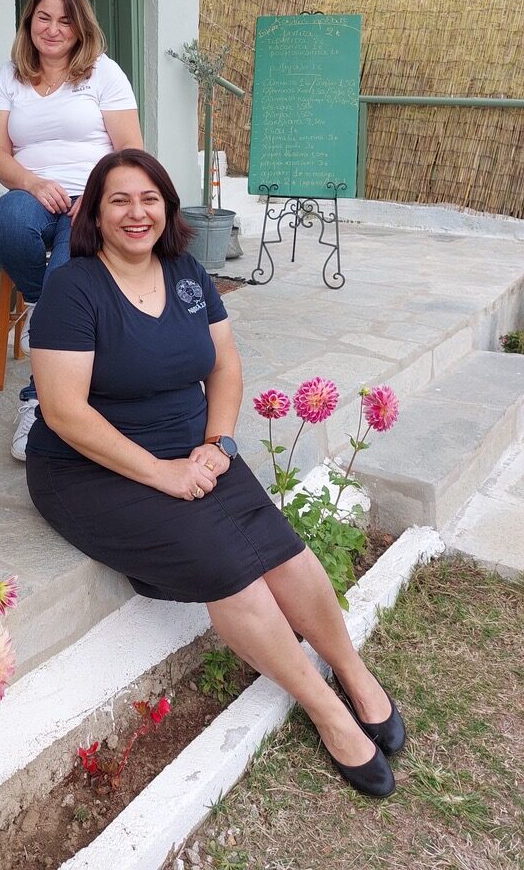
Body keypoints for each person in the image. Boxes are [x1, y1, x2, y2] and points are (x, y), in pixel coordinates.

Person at [25, 148, 405, 798]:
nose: (136, 213)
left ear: (167, 207)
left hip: (192, 447)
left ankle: (352, 670)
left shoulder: (187, 274)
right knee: (228, 569)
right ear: (96, 214)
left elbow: (224, 366)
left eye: (149, 198)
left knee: (283, 550)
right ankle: (325, 708)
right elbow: (64, 413)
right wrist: (161, 474)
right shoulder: (73, 287)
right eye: (119, 200)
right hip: (89, 468)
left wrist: (220, 444)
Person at [0, 0, 143, 460]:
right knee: (6, 219)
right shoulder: (9, 76)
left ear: (80, 27)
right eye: (44, 18)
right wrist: (32, 183)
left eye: (65, 20)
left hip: (95, 196)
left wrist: (96, 195)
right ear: (29, 21)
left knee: (72, 255)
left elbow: (130, 149)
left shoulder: (103, 73)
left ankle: (38, 400)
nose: (53, 30)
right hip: (34, 191)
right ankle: (43, 304)